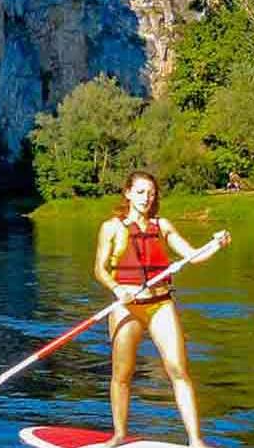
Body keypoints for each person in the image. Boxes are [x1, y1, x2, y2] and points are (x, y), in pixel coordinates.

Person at [93, 171, 229, 448]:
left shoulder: (162, 226)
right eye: (141, 192)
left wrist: (215, 245)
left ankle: (196, 440)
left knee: (179, 369)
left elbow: (194, 256)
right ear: (128, 193)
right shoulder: (112, 227)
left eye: (151, 193)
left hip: (160, 304)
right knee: (122, 374)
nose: (147, 198)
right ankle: (119, 434)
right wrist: (117, 288)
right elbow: (99, 269)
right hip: (126, 307)